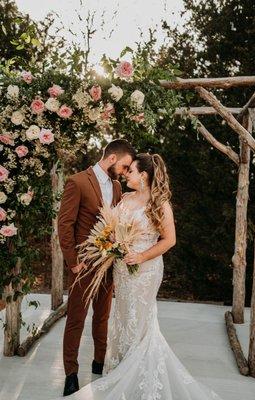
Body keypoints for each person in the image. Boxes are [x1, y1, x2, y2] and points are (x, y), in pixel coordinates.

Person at [53, 153, 223, 399]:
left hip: (145, 271)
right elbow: (113, 229)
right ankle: (123, 367)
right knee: (122, 318)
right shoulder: (125, 199)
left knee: (140, 321)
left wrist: (142, 257)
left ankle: (141, 373)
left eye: (130, 171)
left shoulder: (160, 204)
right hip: (122, 270)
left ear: (143, 176)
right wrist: (111, 243)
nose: (125, 174)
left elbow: (169, 240)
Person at [57, 139, 136, 396]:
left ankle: (99, 363)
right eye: (124, 166)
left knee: (102, 317)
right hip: (83, 265)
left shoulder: (115, 187)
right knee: (76, 319)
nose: (125, 173)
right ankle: (71, 373)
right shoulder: (77, 182)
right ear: (112, 158)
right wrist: (73, 262)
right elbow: (65, 225)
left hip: (108, 265)